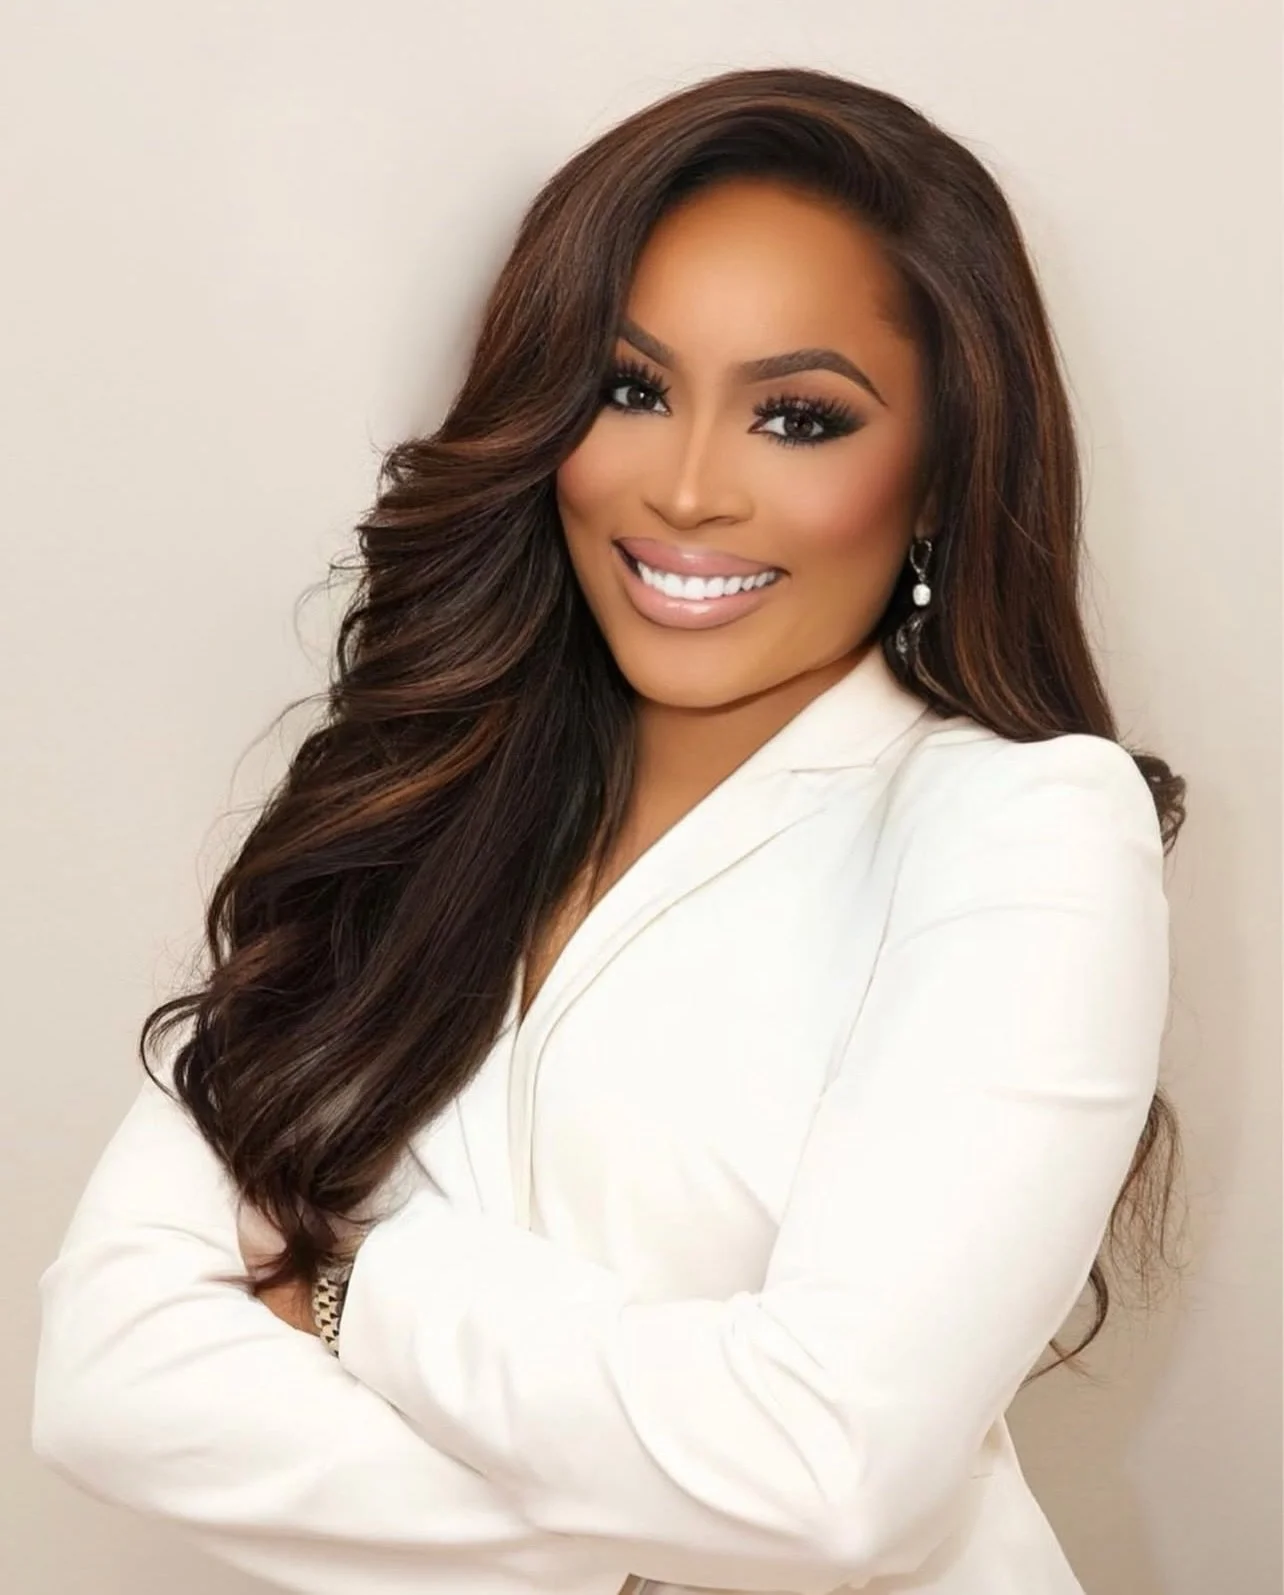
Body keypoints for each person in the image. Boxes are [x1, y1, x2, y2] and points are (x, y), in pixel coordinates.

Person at [32, 64, 1187, 1595]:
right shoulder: (406, 796)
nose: (690, 487)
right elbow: (106, 1376)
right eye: (632, 389)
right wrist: (668, 1518)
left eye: (798, 415)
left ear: (940, 475)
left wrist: (352, 1293)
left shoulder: (1024, 826)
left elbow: (834, 1481)